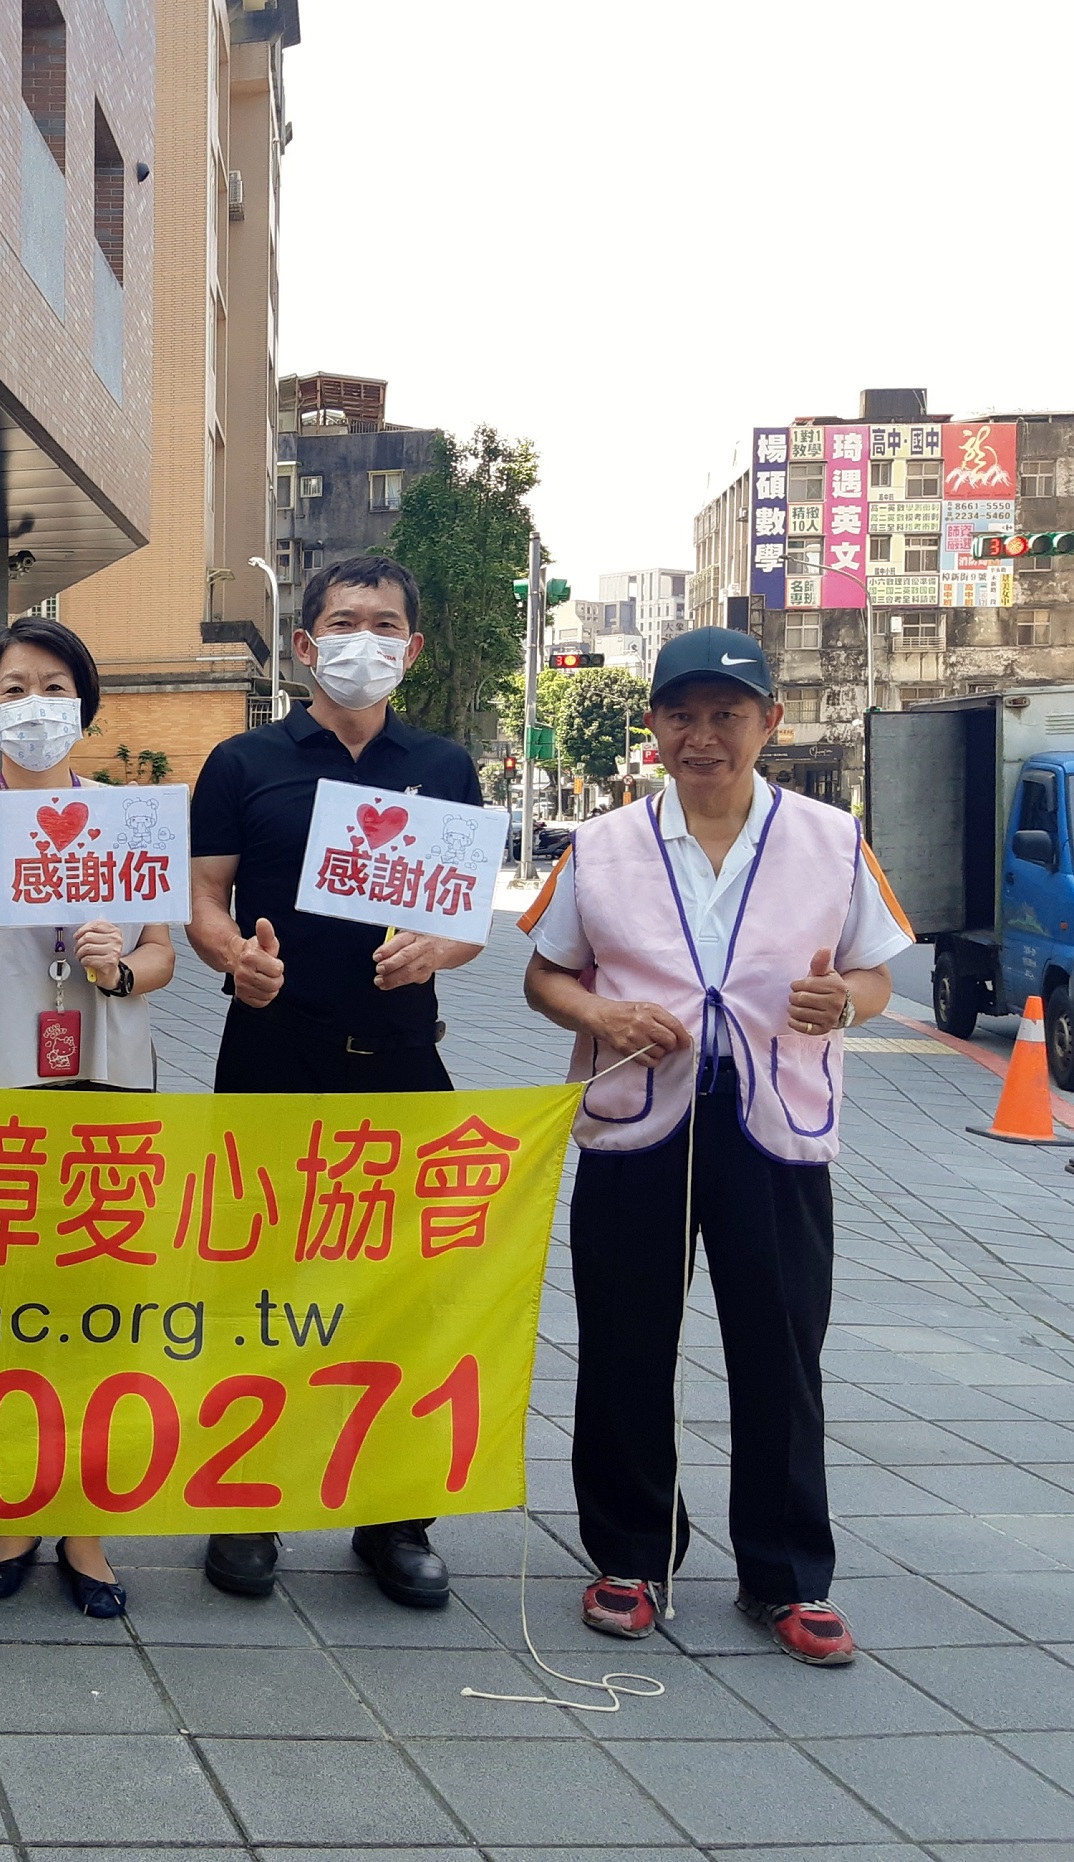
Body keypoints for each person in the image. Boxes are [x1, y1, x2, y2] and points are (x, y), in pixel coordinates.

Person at [518, 627, 910, 1666]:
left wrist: (845, 1002)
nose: (703, 736)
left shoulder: (831, 838)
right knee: (623, 1340)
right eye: (681, 715)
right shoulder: (601, 845)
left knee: (779, 1345)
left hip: (773, 1121)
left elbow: (876, 972)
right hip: (635, 1115)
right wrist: (599, 1013)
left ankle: (784, 1573)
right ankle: (629, 1555)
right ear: (652, 726)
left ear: (768, 722)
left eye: (726, 714)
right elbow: (545, 974)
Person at [186, 553, 482, 1611]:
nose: (365, 640)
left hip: (399, 1060)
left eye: (385, 624)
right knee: (254, 1285)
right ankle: (243, 1502)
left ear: (412, 646)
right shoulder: (242, 761)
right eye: (344, 623)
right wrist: (233, 955)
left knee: (403, 1293)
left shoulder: (442, 765)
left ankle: (394, 1517)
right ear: (305, 643)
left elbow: (466, 917)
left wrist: (436, 949)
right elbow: (202, 896)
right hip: (270, 1055)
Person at [0, 615, 176, 1618]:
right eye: (14, 688)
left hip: (107, 1089)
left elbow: (160, 956)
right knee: (4, 1311)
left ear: (84, 706)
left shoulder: (129, 819)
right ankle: (14, 1505)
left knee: (98, 1310)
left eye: (54, 687)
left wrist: (117, 970)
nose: (34, 706)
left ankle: (86, 1524)